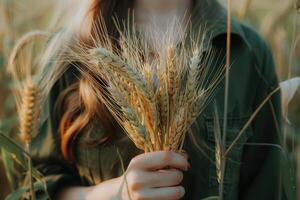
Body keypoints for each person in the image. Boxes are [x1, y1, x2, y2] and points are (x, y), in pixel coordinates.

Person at [9, 0, 292, 199]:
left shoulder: (247, 53)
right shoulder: (69, 52)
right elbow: (33, 186)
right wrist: (114, 194)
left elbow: (267, 188)